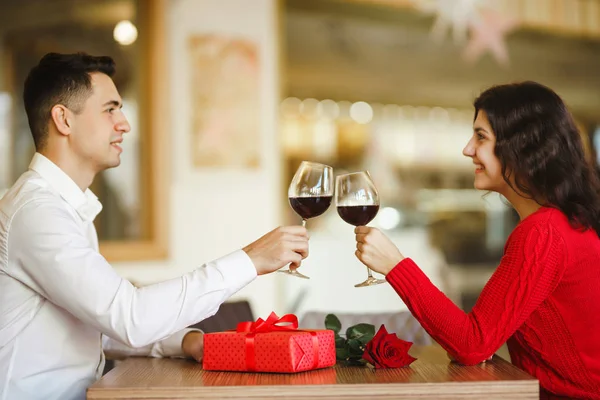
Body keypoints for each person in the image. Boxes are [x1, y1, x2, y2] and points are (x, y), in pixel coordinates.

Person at [0, 52, 309, 400]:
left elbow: (93, 323)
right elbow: (129, 317)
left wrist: (183, 341)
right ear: (64, 120)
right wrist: (250, 260)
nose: (124, 124)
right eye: (110, 109)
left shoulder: (62, 208)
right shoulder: (39, 214)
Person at [354, 81, 600, 399]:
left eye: (481, 137)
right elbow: (483, 336)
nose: (468, 149)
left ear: (520, 145)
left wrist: (396, 266)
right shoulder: (565, 221)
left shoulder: (543, 233)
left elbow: (471, 345)